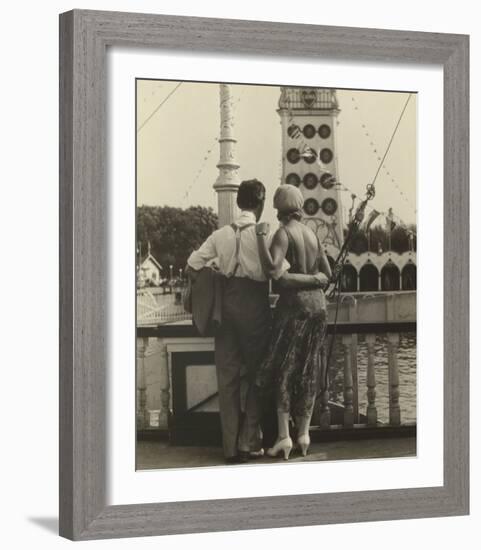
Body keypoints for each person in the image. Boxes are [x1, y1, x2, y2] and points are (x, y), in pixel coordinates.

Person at [187, 180, 328, 464]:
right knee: (258, 376)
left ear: (238, 202)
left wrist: (216, 277)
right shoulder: (263, 235)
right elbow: (280, 272)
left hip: (224, 309)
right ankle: (249, 441)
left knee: (227, 379)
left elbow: (192, 264)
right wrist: (317, 280)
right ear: (262, 204)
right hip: (255, 307)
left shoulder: (219, 235)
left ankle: (229, 448)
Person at [255, 185, 332, 460]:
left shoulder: (283, 233)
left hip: (294, 309)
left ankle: (283, 437)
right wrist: (315, 280)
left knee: (285, 370)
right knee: (309, 369)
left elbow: (277, 274)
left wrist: (262, 241)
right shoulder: (312, 233)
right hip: (318, 308)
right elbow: (327, 274)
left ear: (278, 208)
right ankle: (304, 434)